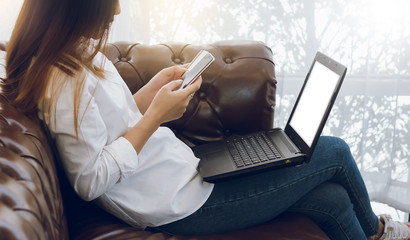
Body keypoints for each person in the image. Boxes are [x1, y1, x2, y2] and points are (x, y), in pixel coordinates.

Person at [2, 0, 409, 239]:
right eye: (106, 9)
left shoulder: (78, 53)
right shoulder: (63, 82)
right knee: (334, 151)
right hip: (179, 204)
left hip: (186, 174)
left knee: (331, 200)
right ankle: (385, 232)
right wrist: (158, 115)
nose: (117, 11)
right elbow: (90, 181)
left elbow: (115, 122)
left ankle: (374, 231)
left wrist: (152, 92)